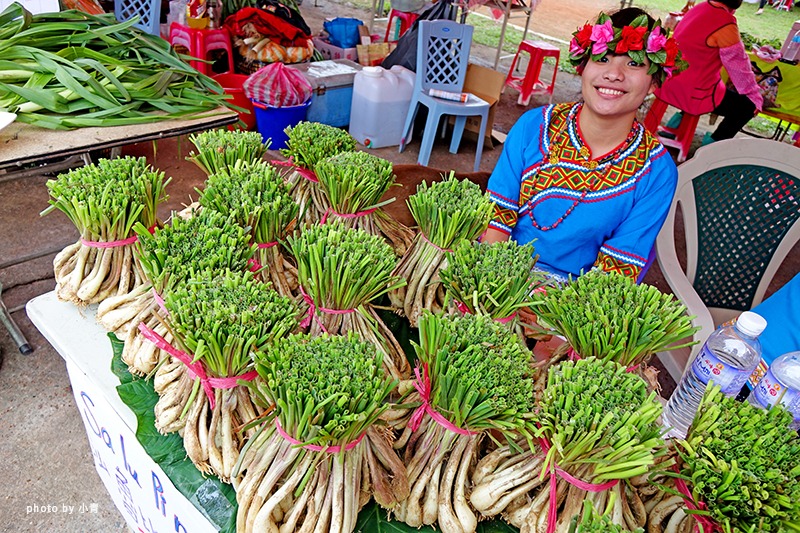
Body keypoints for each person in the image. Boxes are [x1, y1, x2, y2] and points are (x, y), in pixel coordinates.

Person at [483, 8, 686, 284]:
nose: (614, 74)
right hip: (499, 271)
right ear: (583, 66)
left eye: (634, 63)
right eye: (602, 58)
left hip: (575, 302)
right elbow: (496, 220)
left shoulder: (657, 172)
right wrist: (492, 292)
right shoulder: (535, 126)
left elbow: (615, 271)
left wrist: (548, 317)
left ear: (654, 82)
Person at [656, 0, 763, 143]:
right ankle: (710, 149)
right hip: (692, 92)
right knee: (747, 106)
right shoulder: (725, 23)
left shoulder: (700, 7)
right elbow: (740, 68)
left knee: (708, 82)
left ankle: (674, 127)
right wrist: (754, 95)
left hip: (668, 79)